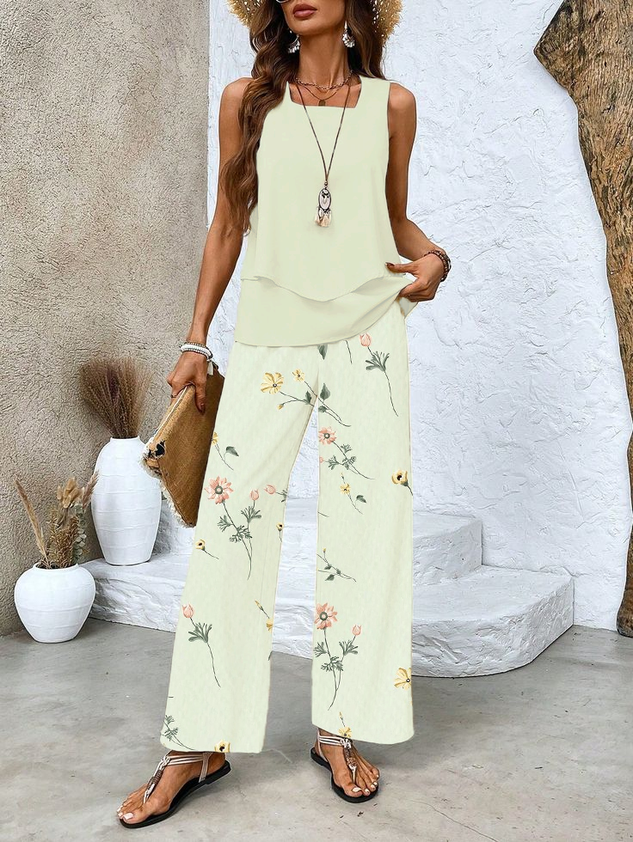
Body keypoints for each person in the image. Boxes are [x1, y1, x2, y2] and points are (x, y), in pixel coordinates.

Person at [117, 0, 450, 827]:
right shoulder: (246, 100)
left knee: (366, 532)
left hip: (369, 335)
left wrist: (433, 257)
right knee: (230, 531)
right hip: (271, 335)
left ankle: (340, 728)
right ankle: (197, 742)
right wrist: (195, 338)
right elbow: (228, 222)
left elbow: (390, 217)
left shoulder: (393, 105)